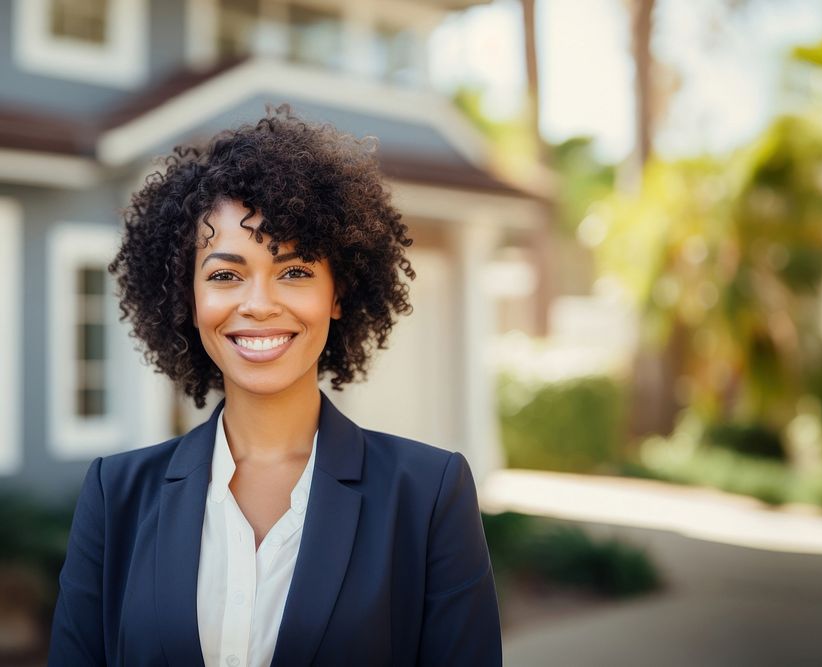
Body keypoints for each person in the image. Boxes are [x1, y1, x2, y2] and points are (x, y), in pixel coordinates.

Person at [48, 107, 502, 666]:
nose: (259, 304)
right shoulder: (115, 496)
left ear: (338, 294)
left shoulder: (429, 496)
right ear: (188, 300)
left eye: (294, 271)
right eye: (224, 274)